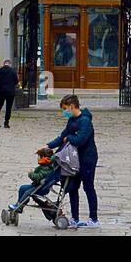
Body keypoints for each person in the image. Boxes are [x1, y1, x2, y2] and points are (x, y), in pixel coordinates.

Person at [42, 94, 99, 228]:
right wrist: (48, 146)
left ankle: (94, 219)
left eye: (65, 109)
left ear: (72, 106)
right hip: (73, 160)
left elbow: (80, 140)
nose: (64, 112)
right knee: (73, 187)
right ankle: (75, 217)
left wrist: (69, 137)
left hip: (87, 159)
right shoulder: (71, 120)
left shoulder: (85, 121)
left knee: (88, 187)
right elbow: (62, 136)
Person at [0, 59, 18, 128]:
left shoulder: (0, 70)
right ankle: (6, 123)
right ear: (9, 64)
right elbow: (16, 81)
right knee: (8, 108)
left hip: (1, 92)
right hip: (10, 93)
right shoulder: (13, 71)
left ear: (4, 64)